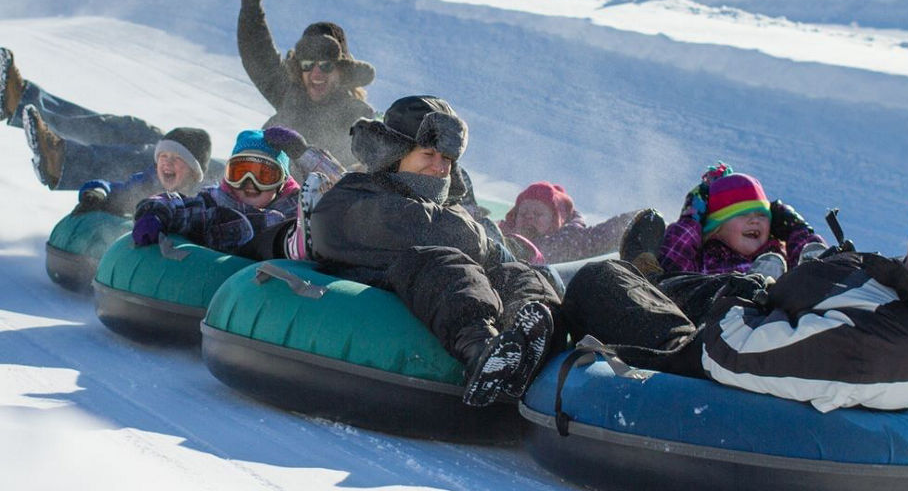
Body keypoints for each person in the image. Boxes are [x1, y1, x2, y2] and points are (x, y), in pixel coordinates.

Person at [562, 177, 908, 413]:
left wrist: (742, 298)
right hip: (756, 312)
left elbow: (732, 353)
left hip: (704, 351)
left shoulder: (889, 344)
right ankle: (649, 271)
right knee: (663, 278)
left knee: (597, 279)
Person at [256, 96, 562, 408]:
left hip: (456, 295)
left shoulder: (453, 211)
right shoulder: (357, 193)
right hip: (395, 293)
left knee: (520, 274)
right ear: (394, 153)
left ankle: (530, 339)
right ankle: (483, 351)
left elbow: (474, 245)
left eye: (447, 159)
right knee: (441, 263)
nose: (440, 167)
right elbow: (413, 226)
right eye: (428, 154)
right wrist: (483, 243)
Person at [230, 0, 376, 173]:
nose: (316, 74)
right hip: (273, 197)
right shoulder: (290, 95)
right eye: (308, 65)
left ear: (342, 71)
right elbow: (257, 52)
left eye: (326, 66)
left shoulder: (359, 118)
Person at [1, 47, 222, 190]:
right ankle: (20, 99)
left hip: (234, 182)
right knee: (137, 131)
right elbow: (257, 52)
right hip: (241, 163)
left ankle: (62, 161)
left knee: (159, 161)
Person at [131, 127, 343, 258]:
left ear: (281, 182)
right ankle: (291, 245)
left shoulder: (296, 205)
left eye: (263, 175)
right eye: (240, 172)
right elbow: (176, 204)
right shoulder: (215, 202)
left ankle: (297, 244)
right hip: (221, 279)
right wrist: (154, 213)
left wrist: (303, 153)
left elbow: (344, 191)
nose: (248, 183)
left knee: (309, 222)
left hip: (281, 279)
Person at [623, 162, 826, 281]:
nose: (755, 220)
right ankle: (757, 285)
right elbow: (672, 265)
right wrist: (691, 220)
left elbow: (802, 252)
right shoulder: (704, 259)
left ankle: (819, 269)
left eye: (762, 215)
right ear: (716, 228)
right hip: (719, 320)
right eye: (743, 214)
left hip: (777, 322)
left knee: (807, 269)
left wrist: (797, 229)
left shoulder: (778, 255)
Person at [73, 127, 212, 217]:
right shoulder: (147, 184)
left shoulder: (204, 201)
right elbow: (118, 191)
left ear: (194, 171)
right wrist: (99, 192)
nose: (167, 163)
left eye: (177, 158)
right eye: (163, 156)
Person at [497, 182, 637, 264]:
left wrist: (638, 219)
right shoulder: (500, 235)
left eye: (538, 214)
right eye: (523, 213)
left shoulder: (568, 242)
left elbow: (604, 234)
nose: (529, 218)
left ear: (555, 222)